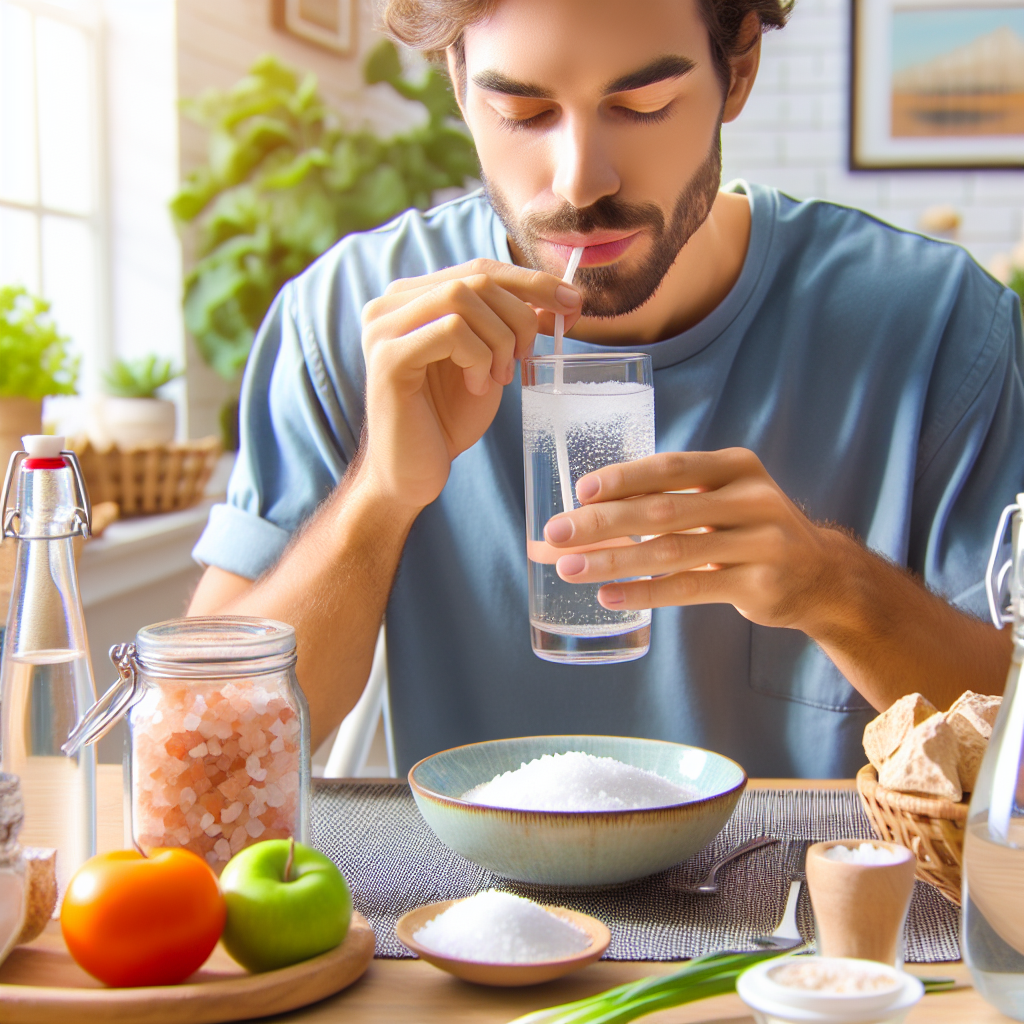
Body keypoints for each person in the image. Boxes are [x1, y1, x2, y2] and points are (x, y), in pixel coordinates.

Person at [189, 0, 1024, 778]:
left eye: (644, 103)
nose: (580, 179)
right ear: (456, 82)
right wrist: (379, 498)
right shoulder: (353, 319)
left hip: (809, 922)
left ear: (737, 70)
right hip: (462, 923)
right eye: (523, 113)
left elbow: (1013, 755)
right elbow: (205, 759)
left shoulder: (938, 323)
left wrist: (836, 590)